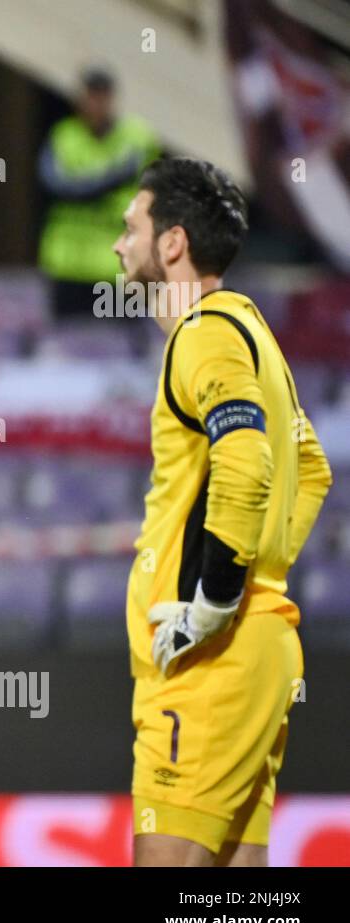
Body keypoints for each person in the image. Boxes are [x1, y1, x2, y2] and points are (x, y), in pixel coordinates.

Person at [114, 158, 333, 866]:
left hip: (210, 663)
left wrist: (215, 597)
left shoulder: (204, 332)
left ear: (172, 243)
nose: (120, 246)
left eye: (132, 228)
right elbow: (311, 469)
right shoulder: (250, 332)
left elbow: (245, 457)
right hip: (256, 650)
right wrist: (261, 576)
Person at [39, 67, 159, 318]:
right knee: (69, 347)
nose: (95, 104)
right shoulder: (63, 136)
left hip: (119, 267)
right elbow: (54, 184)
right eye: (90, 96)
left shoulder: (136, 137)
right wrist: (109, 179)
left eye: (101, 96)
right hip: (68, 264)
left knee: (120, 351)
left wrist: (84, 184)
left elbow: (148, 184)